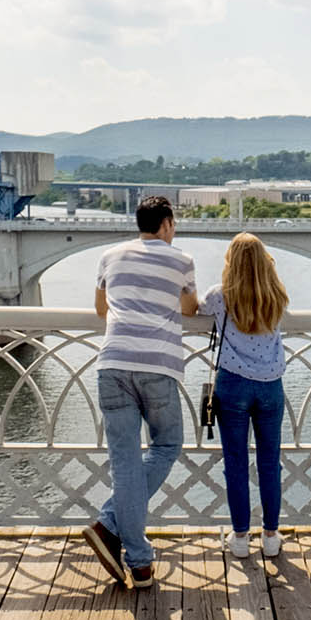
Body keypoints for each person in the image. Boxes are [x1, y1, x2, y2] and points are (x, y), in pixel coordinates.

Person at [84, 195, 197, 588]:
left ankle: (136, 557)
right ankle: (117, 533)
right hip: (157, 367)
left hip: (111, 364)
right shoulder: (180, 260)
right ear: (165, 224)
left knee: (125, 463)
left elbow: (101, 309)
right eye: (174, 224)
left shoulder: (110, 256)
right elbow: (190, 308)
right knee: (167, 445)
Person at [202, 232, 288, 558]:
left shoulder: (219, 296)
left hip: (233, 384)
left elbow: (194, 307)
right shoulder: (277, 294)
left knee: (235, 463)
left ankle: (240, 538)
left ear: (230, 262)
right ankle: (270, 536)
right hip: (270, 385)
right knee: (269, 462)